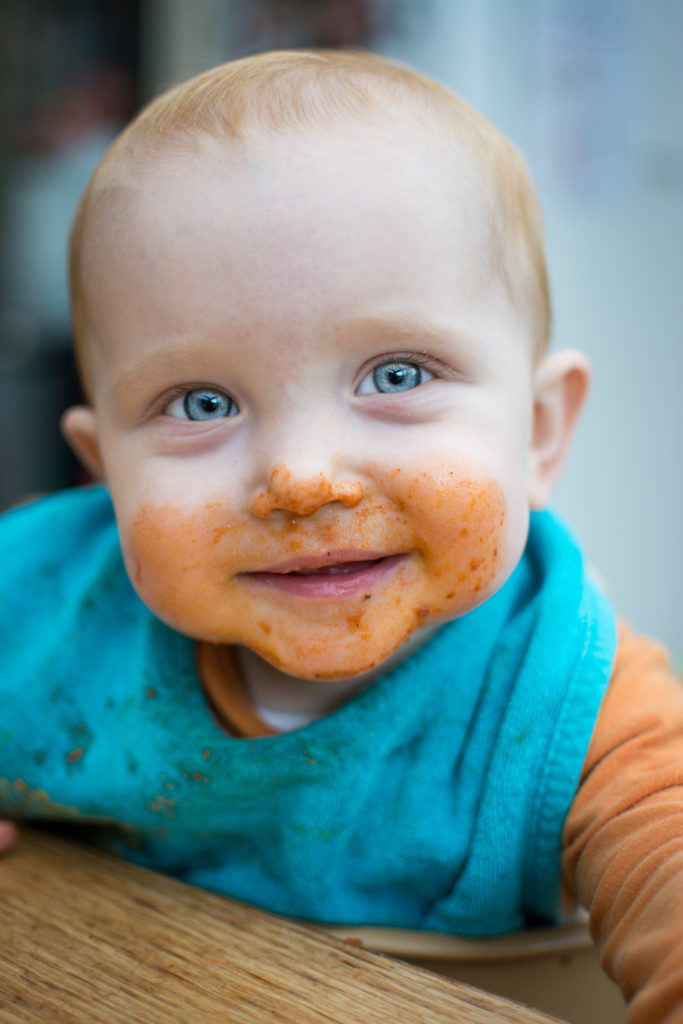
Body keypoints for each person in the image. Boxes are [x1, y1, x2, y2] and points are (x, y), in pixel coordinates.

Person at [1, 50, 682, 1022]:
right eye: (201, 400)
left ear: (537, 432)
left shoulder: (571, 696)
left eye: (396, 375)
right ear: (103, 471)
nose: (302, 476)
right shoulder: (39, 608)